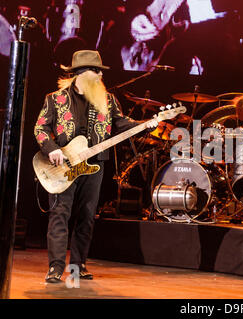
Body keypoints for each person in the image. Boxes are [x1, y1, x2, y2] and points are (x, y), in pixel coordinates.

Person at [34, 50, 156, 283]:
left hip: (95, 165)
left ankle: (78, 265)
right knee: (60, 214)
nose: (101, 74)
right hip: (64, 166)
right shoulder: (56, 99)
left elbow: (123, 124)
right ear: (81, 73)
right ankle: (56, 267)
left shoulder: (107, 100)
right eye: (96, 70)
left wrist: (146, 125)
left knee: (87, 216)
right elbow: (40, 128)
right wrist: (52, 149)